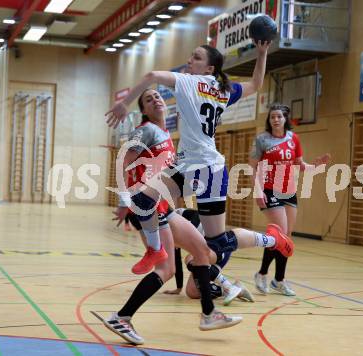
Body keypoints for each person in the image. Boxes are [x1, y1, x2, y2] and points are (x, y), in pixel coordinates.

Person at [106, 42, 294, 327]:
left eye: (195, 57)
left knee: (214, 243)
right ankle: (157, 253)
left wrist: (124, 102)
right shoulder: (222, 90)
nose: (188, 60)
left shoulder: (190, 82)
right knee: (144, 201)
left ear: (209, 68)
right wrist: (262, 52)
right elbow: (257, 83)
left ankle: (272, 239)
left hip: (208, 168)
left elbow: (150, 76)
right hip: (186, 163)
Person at [250, 103, 330, 296]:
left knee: (285, 238)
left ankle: (278, 280)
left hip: (289, 191)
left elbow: (300, 165)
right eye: (272, 117)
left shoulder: (294, 138)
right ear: (269, 120)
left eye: (279, 116)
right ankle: (261, 274)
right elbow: (252, 167)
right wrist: (258, 191)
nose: (275, 119)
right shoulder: (262, 139)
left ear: (285, 119)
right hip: (270, 190)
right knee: (280, 234)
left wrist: (316, 166)